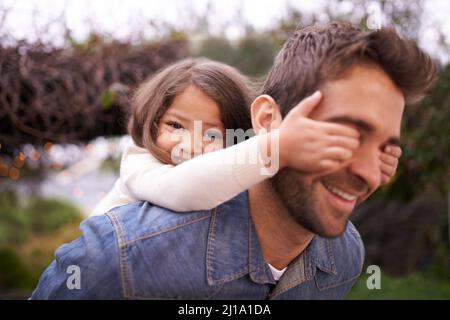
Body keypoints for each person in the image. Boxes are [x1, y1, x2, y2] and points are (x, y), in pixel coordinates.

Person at [30, 22, 436, 300]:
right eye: (341, 134)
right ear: (265, 122)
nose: (368, 172)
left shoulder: (346, 258)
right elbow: (184, 186)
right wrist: (277, 147)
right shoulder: (117, 257)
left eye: (384, 148)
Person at [90, 58, 399, 217]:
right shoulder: (139, 160)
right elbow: (182, 190)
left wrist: (362, 167)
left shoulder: (228, 169)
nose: (192, 144)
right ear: (152, 123)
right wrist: (277, 147)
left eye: (212, 133)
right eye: (176, 126)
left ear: (237, 138)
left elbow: (283, 196)